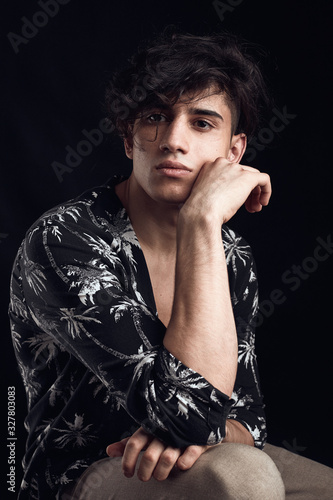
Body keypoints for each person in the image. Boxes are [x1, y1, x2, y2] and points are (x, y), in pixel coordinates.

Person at [9, 30, 333, 500]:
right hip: (88, 470)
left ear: (234, 152)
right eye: (156, 118)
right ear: (128, 139)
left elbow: (250, 418)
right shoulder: (65, 240)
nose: (174, 140)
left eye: (202, 123)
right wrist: (201, 221)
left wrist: (198, 432)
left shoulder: (233, 255)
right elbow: (190, 413)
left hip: (196, 454)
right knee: (246, 476)